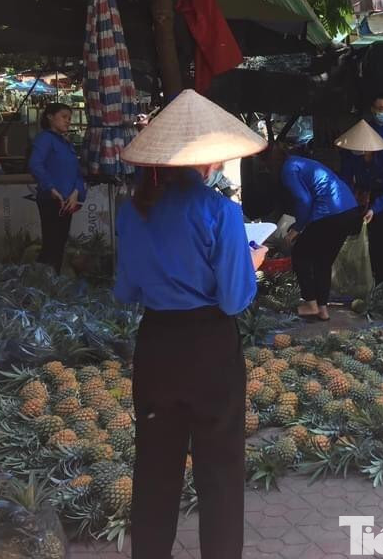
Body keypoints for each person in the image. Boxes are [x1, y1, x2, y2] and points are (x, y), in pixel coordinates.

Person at [113, 90, 269, 559]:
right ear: (205, 163)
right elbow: (235, 297)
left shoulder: (132, 211)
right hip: (210, 350)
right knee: (219, 469)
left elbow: (127, 292)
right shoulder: (221, 212)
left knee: (155, 467)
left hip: (157, 346)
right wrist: (252, 260)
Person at [273, 145, 362, 320]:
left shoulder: (288, 169)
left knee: (300, 254)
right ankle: (322, 309)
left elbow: (304, 200)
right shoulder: (299, 163)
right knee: (323, 261)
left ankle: (310, 304)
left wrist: (297, 229)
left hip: (330, 213)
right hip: (349, 210)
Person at [337, 120, 383, 283]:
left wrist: (374, 209)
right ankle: (361, 280)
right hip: (360, 194)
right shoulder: (350, 156)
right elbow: (346, 180)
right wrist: (350, 203)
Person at [28, 103, 86, 274]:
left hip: (67, 202)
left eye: (69, 118)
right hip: (52, 200)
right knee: (51, 245)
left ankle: (52, 286)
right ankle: (42, 286)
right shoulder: (45, 139)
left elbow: (77, 172)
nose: (68, 121)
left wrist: (76, 193)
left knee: (59, 244)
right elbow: (35, 164)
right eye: (64, 117)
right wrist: (51, 188)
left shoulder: (66, 143)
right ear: (50, 117)